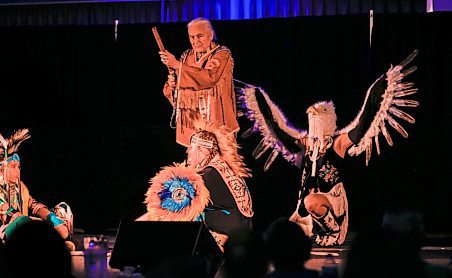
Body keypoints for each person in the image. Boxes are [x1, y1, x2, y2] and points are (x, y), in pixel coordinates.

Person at [238, 50, 419, 246]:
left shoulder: (338, 143)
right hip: (306, 207)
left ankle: (334, 230)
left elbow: (363, 123)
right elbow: (278, 130)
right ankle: (313, 230)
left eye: (318, 117)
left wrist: (381, 86)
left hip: (330, 202)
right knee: (283, 237)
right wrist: (258, 97)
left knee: (311, 202)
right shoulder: (306, 143)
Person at [137, 120, 254, 251]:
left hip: (225, 243)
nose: (187, 151)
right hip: (243, 240)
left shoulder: (206, 175)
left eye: (191, 147)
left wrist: (135, 228)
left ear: (201, 150)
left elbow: (165, 207)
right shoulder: (226, 170)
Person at [0, 115, 74, 249]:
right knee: (22, 221)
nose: (18, 171)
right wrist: (43, 225)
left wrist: (53, 219)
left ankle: (52, 243)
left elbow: (34, 206)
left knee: (61, 209)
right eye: (13, 167)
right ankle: (51, 244)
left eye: (19, 167)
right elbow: (12, 216)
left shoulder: (20, 188)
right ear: (1, 170)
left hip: (19, 233)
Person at [159, 17, 239, 147]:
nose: (195, 41)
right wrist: (173, 85)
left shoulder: (222, 54)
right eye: (192, 37)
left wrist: (177, 65)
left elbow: (209, 78)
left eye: (199, 36)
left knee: (221, 163)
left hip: (217, 124)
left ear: (211, 35)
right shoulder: (186, 56)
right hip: (193, 128)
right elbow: (177, 90)